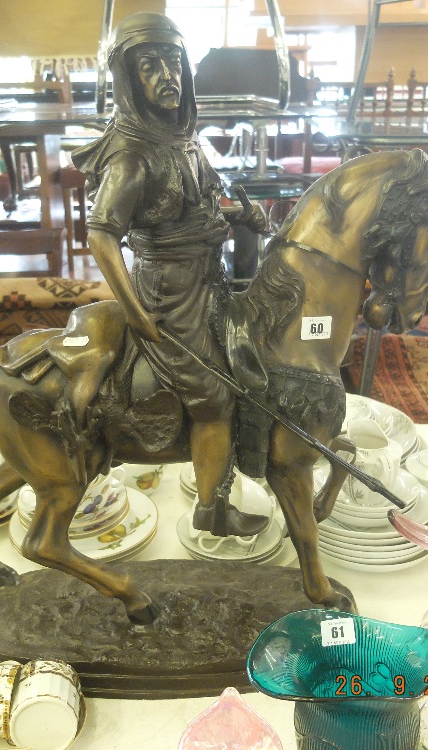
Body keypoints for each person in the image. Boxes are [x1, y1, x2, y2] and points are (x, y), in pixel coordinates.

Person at [71, 12, 268, 537]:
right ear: (128, 79)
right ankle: (211, 510)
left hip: (209, 284)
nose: (167, 76)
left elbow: (190, 212)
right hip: (168, 298)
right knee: (214, 397)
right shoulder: (132, 154)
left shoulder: (181, 136)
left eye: (173, 62)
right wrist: (138, 316)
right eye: (149, 66)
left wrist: (240, 216)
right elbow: (100, 234)